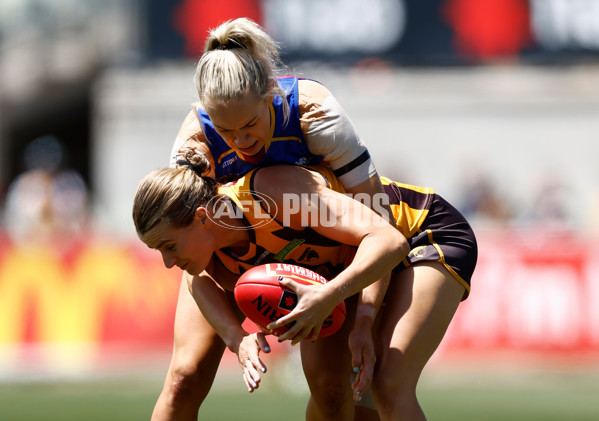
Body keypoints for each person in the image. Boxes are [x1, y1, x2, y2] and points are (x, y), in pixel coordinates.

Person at [158, 17, 394, 420]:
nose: (242, 141)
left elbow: (377, 217)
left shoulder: (314, 112)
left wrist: (366, 318)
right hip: (230, 258)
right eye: (228, 132)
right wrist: (236, 339)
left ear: (270, 92)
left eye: (250, 124)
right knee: (184, 378)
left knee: (333, 391)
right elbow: (191, 248)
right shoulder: (195, 144)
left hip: (321, 258)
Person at [133, 150, 478, 421]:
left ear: (201, 219)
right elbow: (199, 283)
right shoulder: (210, 259)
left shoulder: (271, 194)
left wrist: (360, 317)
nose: (167, 262)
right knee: (334, 395)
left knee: (388, 383)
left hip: (419, 233)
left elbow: (386, 240)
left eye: (170, 247)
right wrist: (238, 342)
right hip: (348, 267)